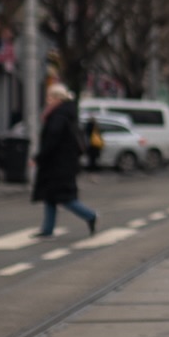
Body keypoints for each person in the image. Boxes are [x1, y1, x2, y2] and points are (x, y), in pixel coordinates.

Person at [32, 84, 99, 238]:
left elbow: (51, 140)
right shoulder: (65, 114)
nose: (47, 100)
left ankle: (90, 215)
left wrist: (39, 157)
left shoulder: (59, 116)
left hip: (59, 165)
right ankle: (47, 229)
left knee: (64, 197)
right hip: (60, 164)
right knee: (50, 196)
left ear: (57, 98)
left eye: (50, 97)